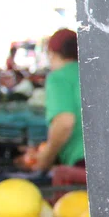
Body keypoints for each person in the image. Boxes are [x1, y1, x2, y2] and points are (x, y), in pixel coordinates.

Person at [33, 29, 85, 171]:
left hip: (83, 162)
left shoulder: (59, 77)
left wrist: (45, 159)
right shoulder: (92, 71)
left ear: (52, 53)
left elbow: (64, 123)